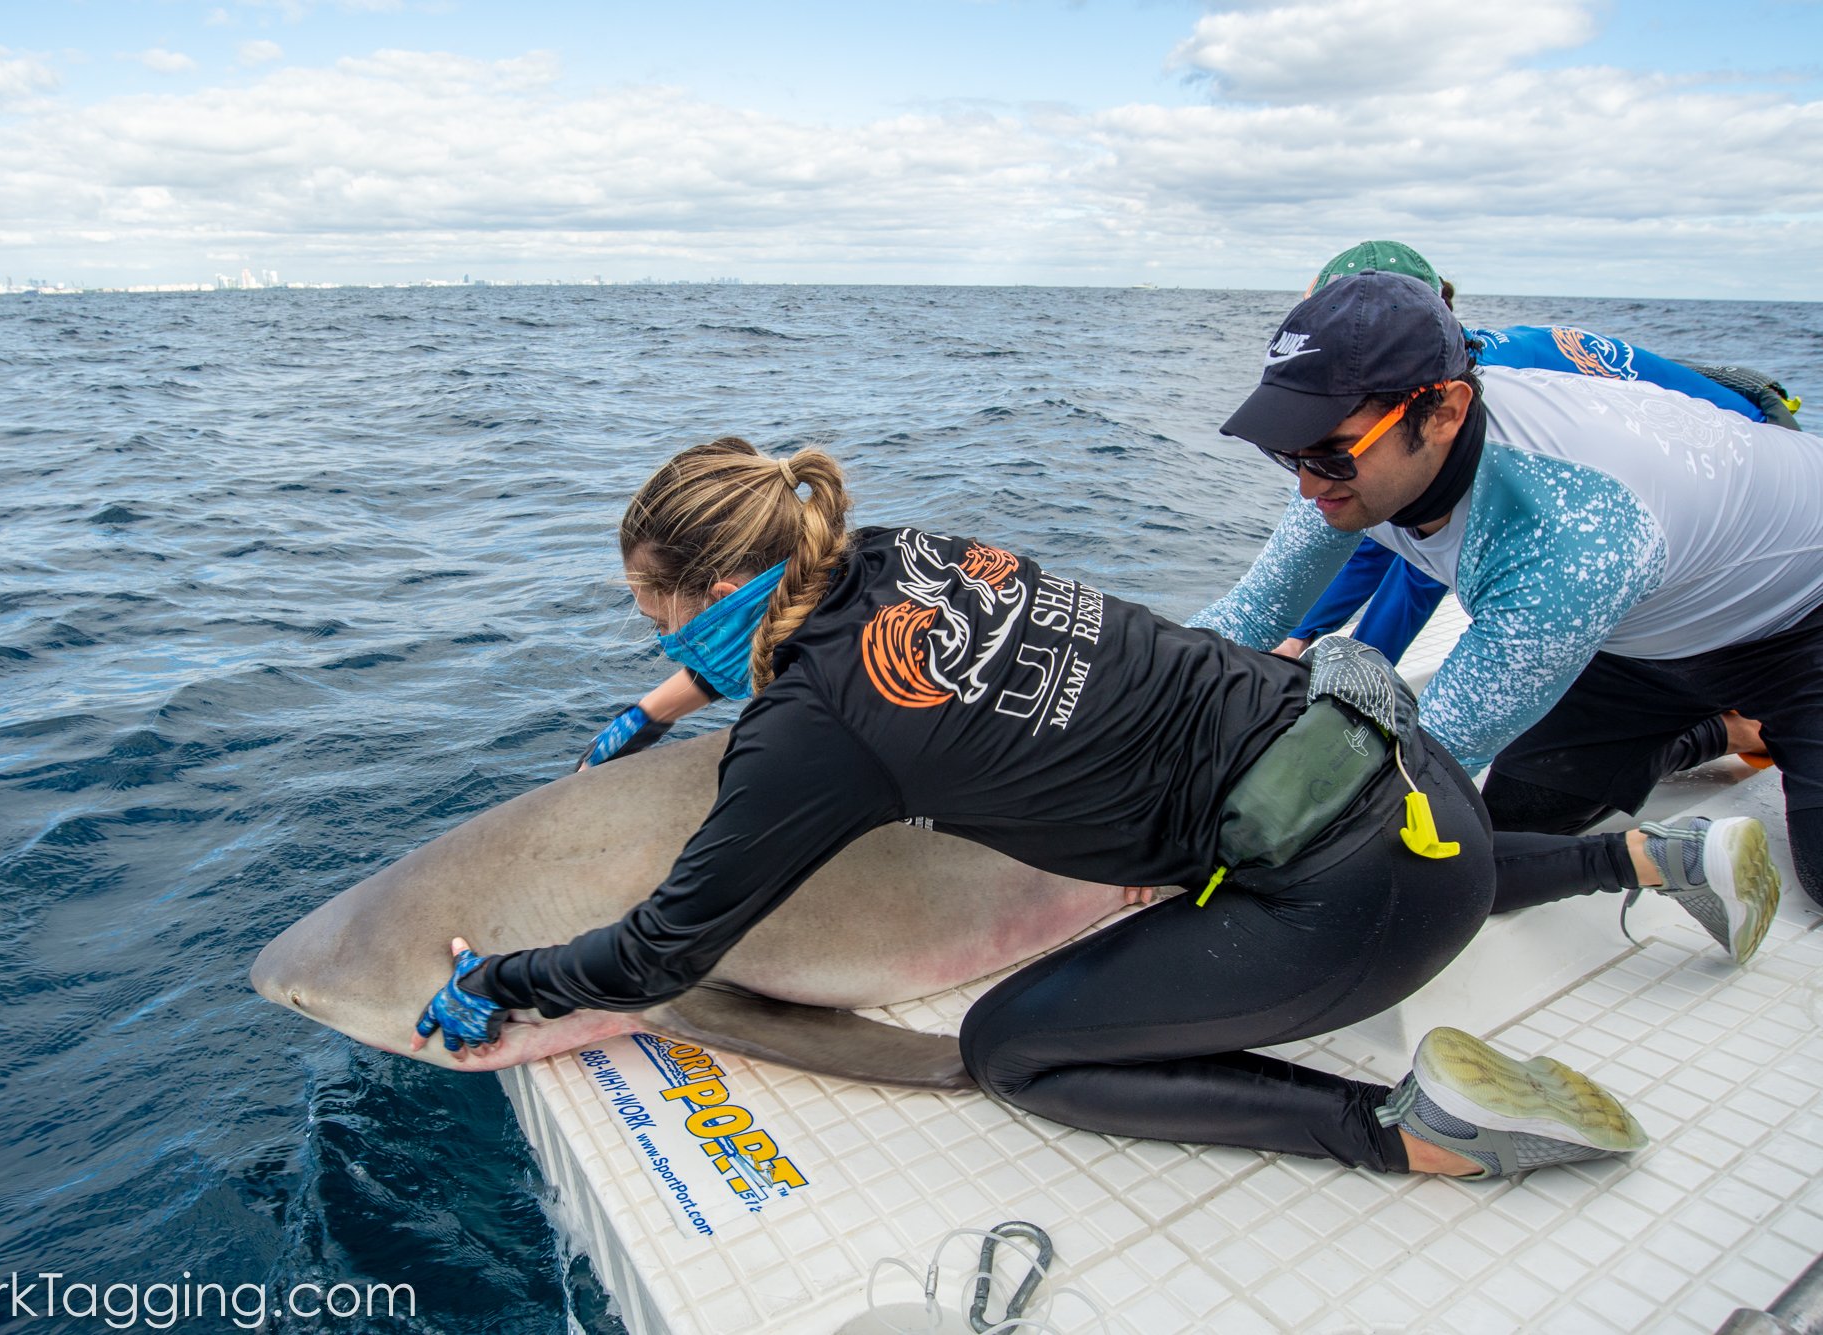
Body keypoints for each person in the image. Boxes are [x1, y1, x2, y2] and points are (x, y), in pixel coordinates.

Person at [410, 437, 1762, 1178]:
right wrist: (660, 709)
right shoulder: (916, 549)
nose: (654, 635)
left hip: (1359, 899)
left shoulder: (811, 733)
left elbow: (661, 952)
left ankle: (1408, 1133)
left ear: (704, 601)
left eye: (653, 609)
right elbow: (837, 670)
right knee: (1296, 840)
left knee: (1010, 1049)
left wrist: (512, 978)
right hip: (1403, 777)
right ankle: (1644, 853)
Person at [1193, 270, 1820, 918]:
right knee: (1500, 819)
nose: (1305, 485)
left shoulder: (1573, 532)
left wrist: (1180, 851)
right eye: (1287, 452)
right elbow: (1252, 612)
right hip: (1639, 632)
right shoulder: (1350, 463)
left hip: (1799, 624)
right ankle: (1726, 729)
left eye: (1329, 454)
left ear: (1445, 414)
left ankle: (1761, 717)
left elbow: (1412, 771)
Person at [1274, 240, 1803, 668]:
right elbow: (1379, 530)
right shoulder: (1428, 381)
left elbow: (1427, 562)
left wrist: (1366, 666)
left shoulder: (1503, 380)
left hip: (1755, 473)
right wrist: (1298, 637)